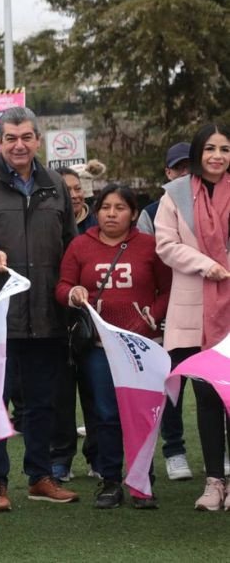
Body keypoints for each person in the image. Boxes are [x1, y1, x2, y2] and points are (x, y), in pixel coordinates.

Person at [0, 106, 80, 511]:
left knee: (44, 402)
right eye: (11, 138)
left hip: (46, 314)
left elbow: (70, 245)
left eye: (26, 137)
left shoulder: (55, 184)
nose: (19, 145)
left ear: (37, 140)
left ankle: (40, 476)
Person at [56, 184, 172, 509]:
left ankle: (142, 481)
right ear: (96, 212)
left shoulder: (149, 246)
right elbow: (62, 286)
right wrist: (73, 293)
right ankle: (109, 480)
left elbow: (167, 289)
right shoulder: (81, 245)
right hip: (99, 345)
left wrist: (151, 317)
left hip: (139, 346)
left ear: (133, 213)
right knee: (105, 414)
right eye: (105, 207)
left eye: (120, 207)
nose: (111, 213)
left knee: (140, 413)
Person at [154, 123, 230, 511]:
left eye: (225, 149)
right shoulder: (176, 194)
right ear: (199, 153)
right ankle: (214, 483)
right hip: (193, 311)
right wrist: (206, 265)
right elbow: (165, 244)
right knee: (206, 397)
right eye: (211, 148)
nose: (218, 156)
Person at [137, 142, 194, 481]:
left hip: (212, 308)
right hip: (171, 310)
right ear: (168, 173)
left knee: (215, 384)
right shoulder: (151, 211)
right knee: (172, 383)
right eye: (179, 168)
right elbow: (147, 264)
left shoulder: (218, 203)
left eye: (191, 166)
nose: (185, 174)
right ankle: (174, 450)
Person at [50, 166, 99, 483]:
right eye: (68, 189)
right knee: (60, 396)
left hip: (98, 325)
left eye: (78, 187)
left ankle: (98, 457)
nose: (76, 193)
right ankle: (60, 459)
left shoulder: (101, 221)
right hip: (58, 320)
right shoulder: (51, 225)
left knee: (97, 394)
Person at [56, 166, 97, 232]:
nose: (74, 195)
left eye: (78, 189)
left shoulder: (97, 225)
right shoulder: (47, 226)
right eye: (67, 190)